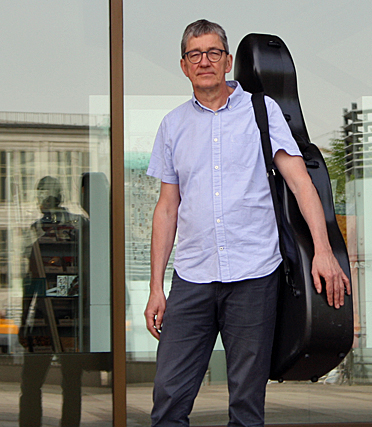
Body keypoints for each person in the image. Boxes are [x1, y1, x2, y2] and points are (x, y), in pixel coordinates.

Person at [144, 19, 350, 427]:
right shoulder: (172, 126)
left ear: (228, 61)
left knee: (246, 406)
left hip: (254, 275)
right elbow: (167, 209)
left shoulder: (262, 110)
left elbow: (301, 184)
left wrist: (324, 251)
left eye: (213, 53)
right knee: (168, 399)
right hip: (192, 277)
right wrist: (156, 287)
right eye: (195, 54)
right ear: (184, 66)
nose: (204, 61)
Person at [18, 176, 87, 427]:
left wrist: (24, 320)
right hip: (71, 317)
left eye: (41, 197)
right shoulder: (79, 227)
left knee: (32, 383)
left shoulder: (37, 230)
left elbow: (31, 280)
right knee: (70, 383)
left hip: (46, 318)